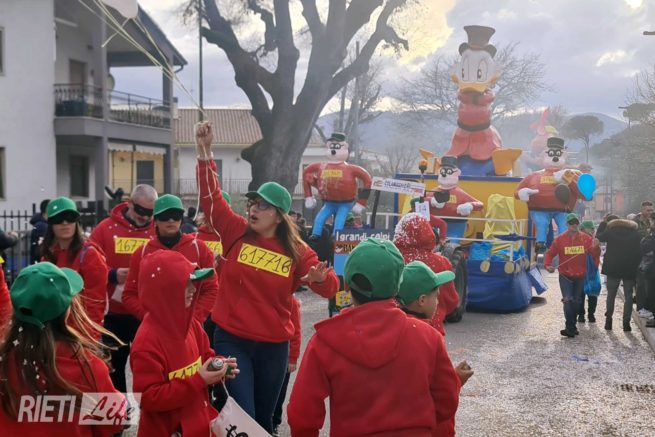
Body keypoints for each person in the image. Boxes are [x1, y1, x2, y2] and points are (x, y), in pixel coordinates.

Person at [195, 121, 339, 432]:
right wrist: (205, 152)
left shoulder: (297, 250)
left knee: (262, 421)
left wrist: (318, 280)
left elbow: (332, 288)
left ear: (279, 214)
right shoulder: (235, 230)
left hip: (274, 347)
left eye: (262, 205)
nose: (253, 208)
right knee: (243, 416)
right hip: (232, 340)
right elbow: (211, 199)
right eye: (252, 202)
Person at [287, 238, 460, 436]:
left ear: (347, 285)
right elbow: (447, 401)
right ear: (397, 288)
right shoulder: (428, 337)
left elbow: (302, 413)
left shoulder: (325, 342)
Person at [0, 262, 125, 436]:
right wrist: (121, 401)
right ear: (66, 312)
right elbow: (113, 422)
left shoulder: (5, 362)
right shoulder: (88, 367)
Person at [130, 250, 237, 437]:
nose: (194, 289)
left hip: (199, 425)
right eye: (186, 284)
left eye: (193, 283)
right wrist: (199, 380)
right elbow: (148, 398)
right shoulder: (147, 342)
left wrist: (218, 366)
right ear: (165, 290)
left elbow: (206, 356)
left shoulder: (191, 324)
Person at [89, 184, 157, 394]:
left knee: (149, 366)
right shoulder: (104, 229)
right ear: (130, 204)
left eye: (150, 213)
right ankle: (118, 410)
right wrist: (112, 274)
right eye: (141, 211)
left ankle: (150, 408)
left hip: (146, 313)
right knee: (113, 368)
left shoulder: (157, 230)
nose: (145, 217)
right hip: (113, 314)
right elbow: (88, 265)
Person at [396, 260, 473, 436]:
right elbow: (445, 400)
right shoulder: (430, 337)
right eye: (436, 297)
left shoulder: (393, 331)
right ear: (422, 300)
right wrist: (456, 379)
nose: (438, 302)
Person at [122, 194, 218, 323]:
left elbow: (211, 289)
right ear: (155, 220)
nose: (171, 220)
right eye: (165, 216)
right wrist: (149, 317)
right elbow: (129, 294)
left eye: (176, 215)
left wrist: (193, 319)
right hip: (155, 327)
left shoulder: (199, 249)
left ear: (181, 219)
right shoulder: (142, 253)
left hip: (191, 326)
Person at [40, 197, 108, 330]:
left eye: (70, 217)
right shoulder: (48, 257)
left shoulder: (90, 255)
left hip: (81, 331)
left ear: (77, 222)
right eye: (58, 219)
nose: (65, 223)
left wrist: (89, 336)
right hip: (53, 332)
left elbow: (95, 303)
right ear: (51, 224)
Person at [393, 213, 460, 336]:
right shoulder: (441, 263)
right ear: (428, 233)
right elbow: (451, 301)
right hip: (432, 331)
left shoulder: (391, 260)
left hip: (396, 331)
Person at [544, 213, 600, 337]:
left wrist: (596, 248)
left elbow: (593, 255)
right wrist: (547, 265)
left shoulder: (586, 239)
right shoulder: (560, 239)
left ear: (578, 224)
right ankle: (570, 327)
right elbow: (550, 253)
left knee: (576, 302)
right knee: (568, 300)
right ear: (567, 224)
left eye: (576, 222)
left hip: (580, 276)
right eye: (571, 223)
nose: (574, 225)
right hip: (565, 275)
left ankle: (572, 326)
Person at [595, 215, 642, 331]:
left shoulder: (610, 232)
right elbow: (639, 251)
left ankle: (608, 321)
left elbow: (599, 236)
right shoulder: (636, 234)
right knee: (628, 296)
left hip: (613, 268)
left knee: (611, 295)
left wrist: (603, 223)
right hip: (629, 268)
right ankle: (626, 323)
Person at [272, 295, 301, 437]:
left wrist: (292, 358)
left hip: (283, 354)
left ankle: (274, 422)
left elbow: (296, 331)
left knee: (279, 392)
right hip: (266, 353)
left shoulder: (290, 301)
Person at [632, 201, 654, 315]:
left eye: (651, 210)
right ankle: (641, 308)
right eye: (648, 210)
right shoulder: (635, 222)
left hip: (651, 257)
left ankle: (648, 307)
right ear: (642, 210)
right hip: (639, 256)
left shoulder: (652, 221)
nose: (650, 212)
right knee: (640, 284)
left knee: (650, 285)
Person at [578, 220, 600, 323]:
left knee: (585, 294)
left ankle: (585, 315)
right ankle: (587, 315)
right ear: (583, 229)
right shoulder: (581, 239)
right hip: (587, 272)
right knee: (589, 294)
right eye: (590, 228)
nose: (592, 230)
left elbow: (596, 254)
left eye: (593, 228)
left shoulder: (593, 240)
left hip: (589, 271)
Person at [640, 221, 655, 327]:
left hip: (652, 270)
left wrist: (649, 235)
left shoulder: (652, 237)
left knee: (652, 293)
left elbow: (644, 247)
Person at [29, 199, 49, 264]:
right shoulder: (42, 226)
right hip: (41, 263)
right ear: (47, 209)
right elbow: (40, 249)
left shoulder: (42, 224)